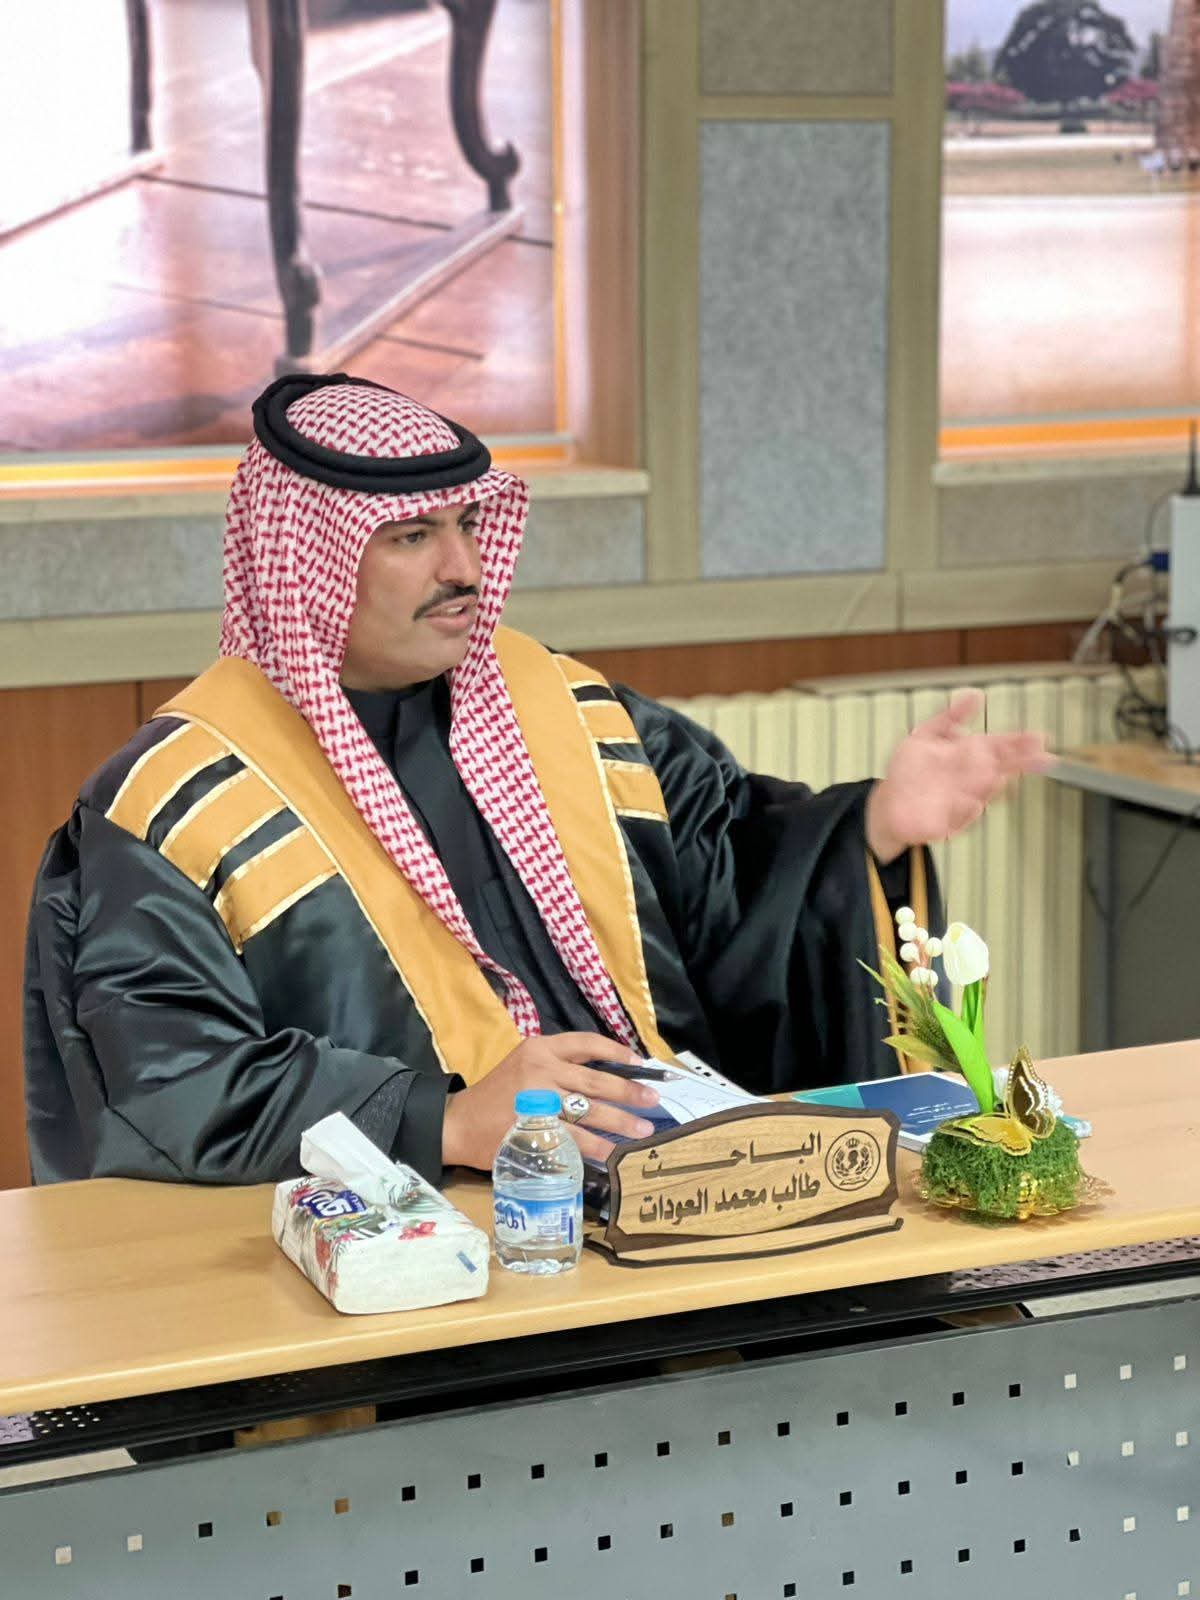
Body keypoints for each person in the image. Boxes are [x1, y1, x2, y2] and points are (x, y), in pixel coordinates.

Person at [23, 374, 1046, 1187]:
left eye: (469, 525)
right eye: (413, 536)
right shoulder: (180, 798)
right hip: (422, 1255)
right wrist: (445, 1120)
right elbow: (169, 1081)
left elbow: (729, 874)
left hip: (666, 1188)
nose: (465, 569)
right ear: (306, 563)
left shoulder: (568, 709)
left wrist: (869, 827)